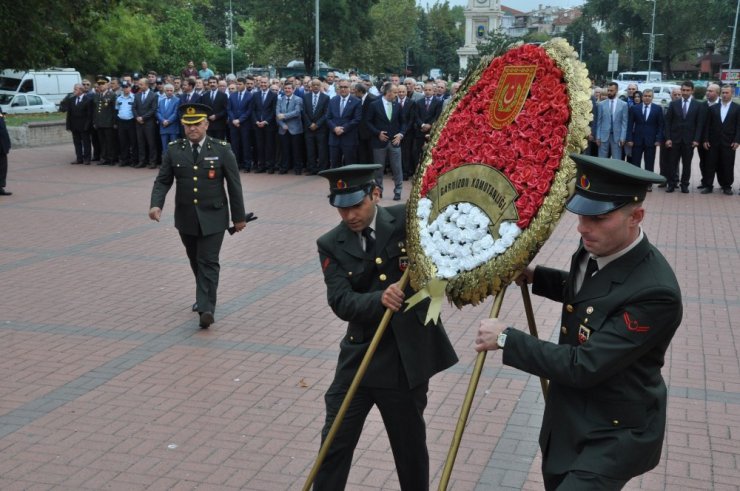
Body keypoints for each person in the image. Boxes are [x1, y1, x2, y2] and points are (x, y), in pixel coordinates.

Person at [474, 154, 683, 491]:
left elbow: (584, 365)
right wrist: (534, 276)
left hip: (613, 433)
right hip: (569, 419)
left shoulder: (655, 291)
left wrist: (506, 339)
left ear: (636, 216)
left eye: (599, 218)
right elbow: (587, 294)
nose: (584, 228)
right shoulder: (595, 246)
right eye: (583, 215)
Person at [313, 164, 458, 490]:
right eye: (341, 207)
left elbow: (444, 256)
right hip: (359, 359)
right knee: (334, 441)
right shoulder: (330, 244)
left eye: (356, 205)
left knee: (409, 450)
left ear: (375, 194)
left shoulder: (409, 221)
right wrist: (378, 300)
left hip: (404, 361)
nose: (349, 215)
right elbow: (341, 301)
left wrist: (430, 298)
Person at [148, 103, 247, 329]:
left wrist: (238, 217)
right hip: (186, 217)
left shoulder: (221, 149)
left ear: (206, 124)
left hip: (214, 215)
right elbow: (163, 180)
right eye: (187, 125)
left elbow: (234, 185)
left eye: (196, 124)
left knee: (208, 261)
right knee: (195, 260)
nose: (192, 129)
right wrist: (156, 204)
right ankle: (203, 296)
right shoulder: (174, 149)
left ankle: (206, 308)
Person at [664, 80, 704, 193]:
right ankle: (671, 184)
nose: (685, 92)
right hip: (674, 139)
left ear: (692, 91)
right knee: (672, 163)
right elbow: (668, 122)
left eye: (687, 90)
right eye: (683, 90)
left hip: (689, 140)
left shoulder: (698, 105)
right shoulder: (673, 104)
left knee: (687, 164)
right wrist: (668, 138)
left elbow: (699, 124)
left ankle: (685, 185)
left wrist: (697, 139)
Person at [702, 84, 740, 195]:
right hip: (713, 142)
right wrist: (705, 139)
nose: (724, 95)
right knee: (710, 164)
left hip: (729, 142)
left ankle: (726, 186)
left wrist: (737, 140)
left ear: (732, 93)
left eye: (726, 93)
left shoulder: (737, 108)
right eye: (722, 93)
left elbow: (739, 126)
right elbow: (707, 125)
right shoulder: (713, 108)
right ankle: (708, 185)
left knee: (727, 164)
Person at [0, 108, 11, 195]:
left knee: (3, 166)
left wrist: (7, 142)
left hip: (2, 142)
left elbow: (2, 125)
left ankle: (0, 187)